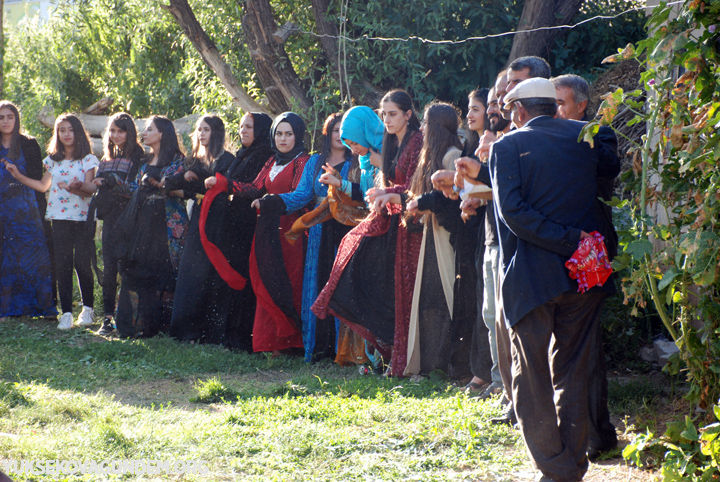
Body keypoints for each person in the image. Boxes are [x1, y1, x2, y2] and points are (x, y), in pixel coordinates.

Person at [490, 77, 616, 482]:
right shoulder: (589, 136)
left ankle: (556, 468)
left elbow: (512, 213)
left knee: (531, 374)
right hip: (586, 274)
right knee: (575, 369)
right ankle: (571, 465)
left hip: (533, 275)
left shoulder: (507, 146)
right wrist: (578, 239)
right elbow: (608, 175)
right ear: (553, 105)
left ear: (519, 111)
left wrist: (564, 239)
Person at [313, 89, 424, 376]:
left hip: (402, 228)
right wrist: (340, 184)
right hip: (383, 227)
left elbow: (410, 184)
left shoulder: (398, 147)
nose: (352, 148)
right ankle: (379, 358)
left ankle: (392, 358)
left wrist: (380, 169)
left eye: (392, 114)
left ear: (407, 115)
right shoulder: (373, 156)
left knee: (391, 291)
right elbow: (366, 194)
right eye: (383, 114)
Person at [374, 102, 475, 379]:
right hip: (431, 235)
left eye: (428, 124)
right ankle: (430, 365)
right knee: (430, 301)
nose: (423, 128)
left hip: (445, 238)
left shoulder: (452, 155)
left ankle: (447, 366)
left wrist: (425, 203)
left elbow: (455, 199)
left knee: (443, 298)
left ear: (438, 127)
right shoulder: (433, 155)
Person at [258, 112, 368, 363]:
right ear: (327, 133)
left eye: (344, 130)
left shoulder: (359, 161)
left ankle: (347, 353)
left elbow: (363, 196)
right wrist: (272, 202)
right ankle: (318, 349)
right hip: (320, 230)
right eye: (335, 130)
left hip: (349, 228)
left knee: (344, 287)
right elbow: (301, 195)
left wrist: (341, 187)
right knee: (318, 285)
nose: (340, 135)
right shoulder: (315, 162)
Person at [552, 73, 620, 460]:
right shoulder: (540, 137)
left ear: (581, 105)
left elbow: (608, 171)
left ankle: (598, 433)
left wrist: (581, 135)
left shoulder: (599, 135)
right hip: (554, 249)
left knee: (588, 349)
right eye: (552, 104)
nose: (556, 111)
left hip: (590, 250)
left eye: (562, 104)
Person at [217, 112, 310, 354]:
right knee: (264, 279)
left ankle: (293, 343)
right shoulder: (272, 161)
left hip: (292, 232)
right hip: (267, 229)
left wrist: (270, 202)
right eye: (279, 133)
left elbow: (300, 195)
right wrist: (224, 185)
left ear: (297, 135)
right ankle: (272, 342)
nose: (283, 139)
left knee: (289, 281)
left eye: (289, 134)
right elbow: (255, 188)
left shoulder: (303, 161)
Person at [167, 115, 253, 347]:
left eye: (207, 130)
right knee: (191, 273)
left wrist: (200, 181)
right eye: (199, 130)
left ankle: (212, 332)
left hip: (221, 221)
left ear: (217, 133)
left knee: (214, 274)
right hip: (199, 220)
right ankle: (187, 331)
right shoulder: (194, 160)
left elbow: (225, 187)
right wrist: (184, 178)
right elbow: (174, 184)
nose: (202, 134)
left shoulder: (228, 160)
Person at [6, 114, 98, 329]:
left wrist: (76, 187)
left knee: (82, 263)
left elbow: (90, 188)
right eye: (62, 130)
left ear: (79, 132)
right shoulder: (52, 160)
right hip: (59, 218)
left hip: (83, 218)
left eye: (71, 130)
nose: (67, 134)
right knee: (63, 263)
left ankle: (88, 309)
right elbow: (42, 186)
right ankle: (66, 312)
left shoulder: (88, 159)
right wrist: (18, 176)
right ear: (57, 134)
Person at [114, 116, 188, 338]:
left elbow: (178, 186)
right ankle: (138, 326)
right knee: (139, 271)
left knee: (166, 272)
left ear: (162, 134)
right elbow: (133, 188)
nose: (144, 133)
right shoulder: (144, 161)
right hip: (143, 223)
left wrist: (158, 185)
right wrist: (112, 181)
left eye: (149, 129)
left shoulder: (177, 160)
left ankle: (165, 326)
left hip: (166, 224)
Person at [0, 101, 56, 320]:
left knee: (34, 258)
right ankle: (6, 309)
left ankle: (40, 308)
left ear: (17, 119)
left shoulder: (29, 144)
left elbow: (37, 180)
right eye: (1, 117)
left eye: (9, 117)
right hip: (2, 211)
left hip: (28, 211)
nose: (5, 121)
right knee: (5, 258)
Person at [90, 113, 144, 335]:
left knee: (129, 268)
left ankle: (131, 319)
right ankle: (108, 319)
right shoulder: (105, 159)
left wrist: (112, 181)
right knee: (110, 268)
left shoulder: (139, 157)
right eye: (112, 130)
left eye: (121, 131)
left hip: (131, 220)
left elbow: (135, 189)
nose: (116, 135)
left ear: (130, 133)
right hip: (110, 219)